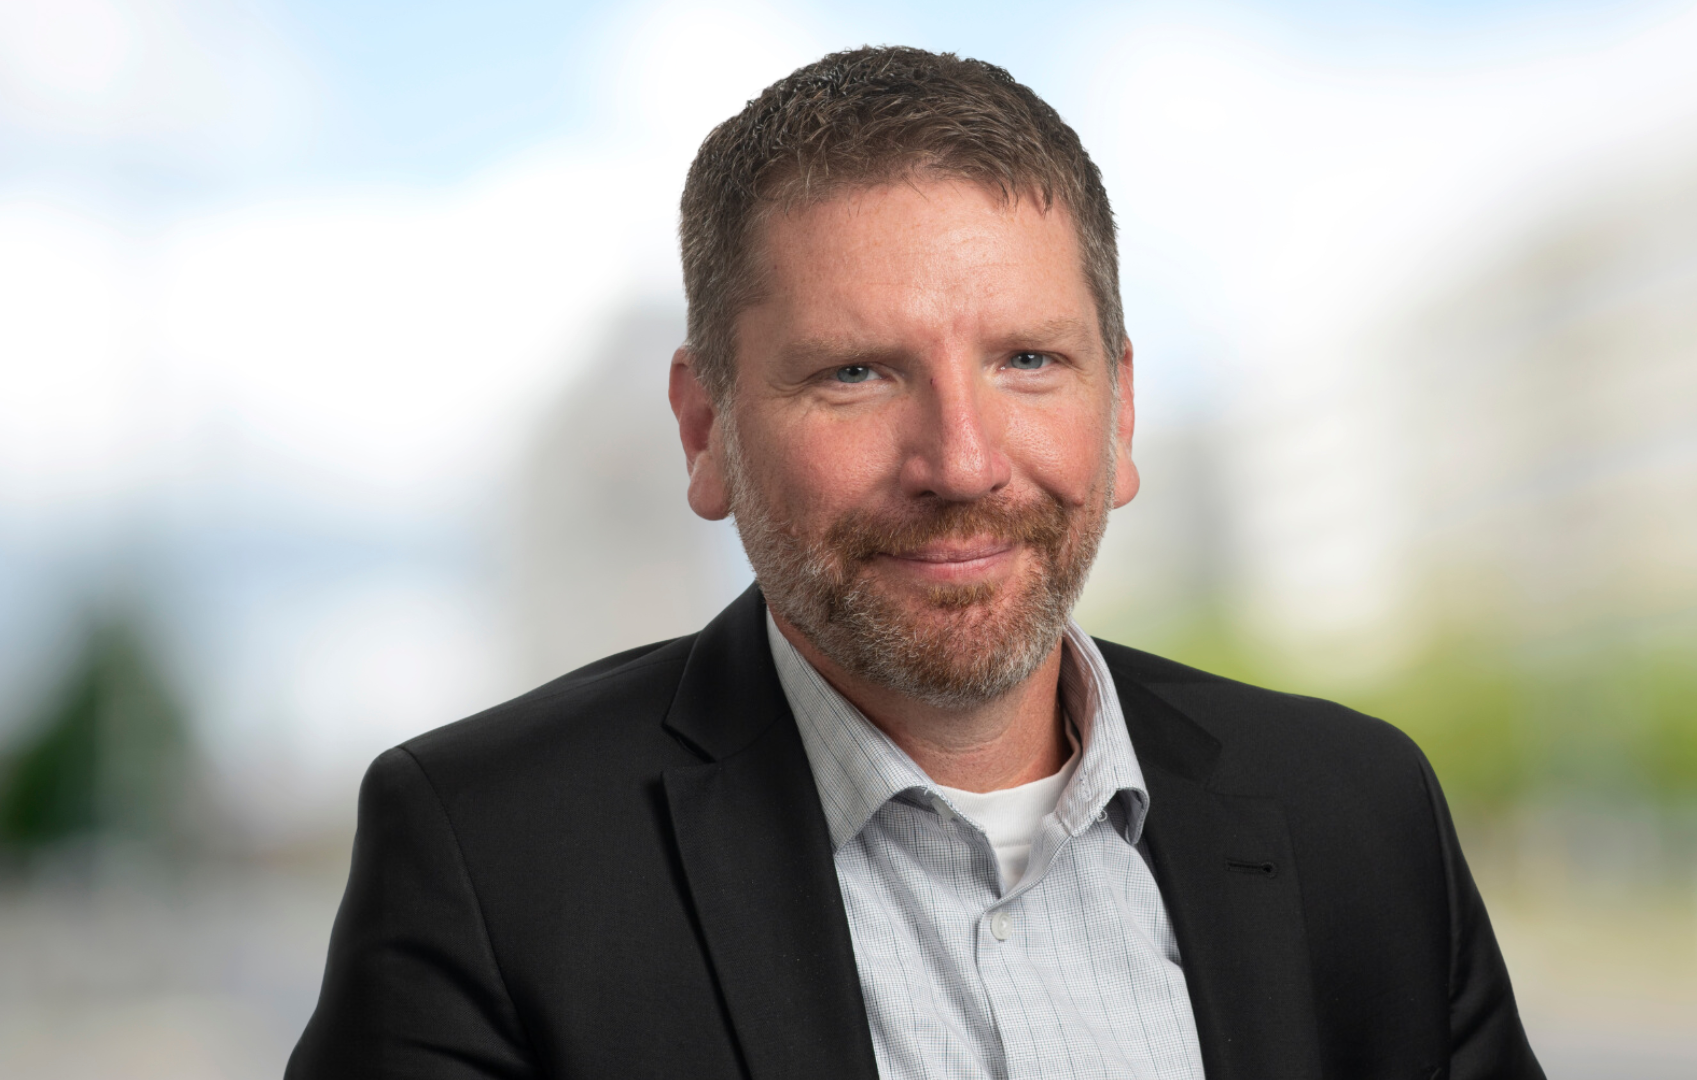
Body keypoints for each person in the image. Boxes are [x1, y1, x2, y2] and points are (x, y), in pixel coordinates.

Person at [288, 46, 1544, 1080]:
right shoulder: (493, 860)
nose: (960, 460)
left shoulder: (1360, 814)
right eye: (856, 372)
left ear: (1119, 417)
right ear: (704, 429)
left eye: (1030, 362)